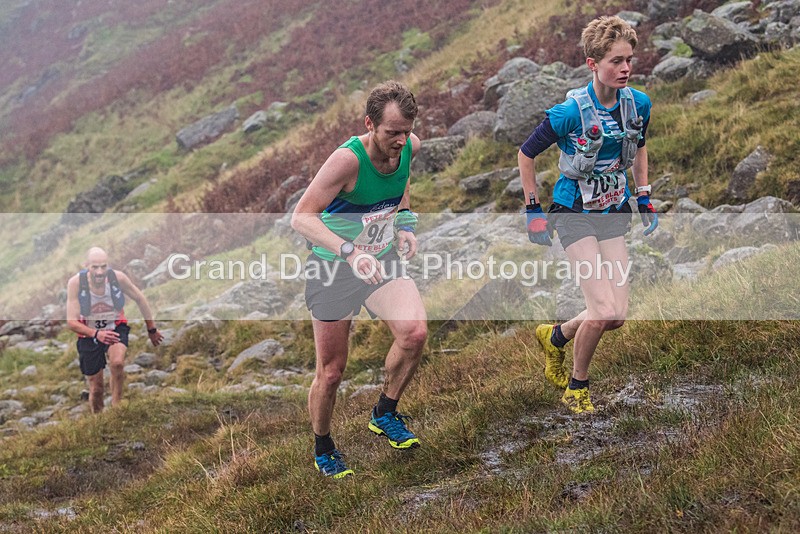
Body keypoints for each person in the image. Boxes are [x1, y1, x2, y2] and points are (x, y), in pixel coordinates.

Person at [518, 16, 658, 414]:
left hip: (613, 209)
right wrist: (533, 210)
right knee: (602, 309)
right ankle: (577, 386)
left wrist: (644, 195)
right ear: (592, 63)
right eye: (616, 61)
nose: (625, 68)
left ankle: (556, 336)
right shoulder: (569, 111)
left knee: (617, 315)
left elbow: (640, 144)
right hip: (573, 211)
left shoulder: (638, 103)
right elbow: (526, 154)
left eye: (629, 59)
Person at [291, 80, 427, 479]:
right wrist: (350, 252)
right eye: (391, 133)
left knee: (414, 333)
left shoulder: (409, 148)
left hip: (380, 260)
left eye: (406, 131)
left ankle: (384, 413)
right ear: (369, 124)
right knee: (331, 372)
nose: (400, 141)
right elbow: (301, 217)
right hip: (333, 267)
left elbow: (400, 190)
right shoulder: (346, 162)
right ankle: (324, 446)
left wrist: (404, 224)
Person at [66, 247, 164, 413]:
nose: (99, 272)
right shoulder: (76, 284)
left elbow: (140, 299)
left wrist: (151, 329)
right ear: (86, 266)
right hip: (88, 335)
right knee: (96, 388)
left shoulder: (117, 278)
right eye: (95, 267)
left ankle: (117, 407)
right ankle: (99, 420)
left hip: (115, 327)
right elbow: (71, 322)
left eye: (103, 267)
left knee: (117, 363)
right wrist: (97, 334)